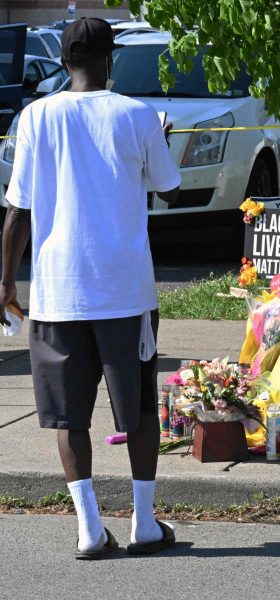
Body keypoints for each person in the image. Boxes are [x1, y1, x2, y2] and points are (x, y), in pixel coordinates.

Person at [0, 18, 181, 559]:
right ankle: (144, 524)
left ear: (63, 61)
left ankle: (87, 527)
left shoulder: (36, 116)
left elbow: (18, 211)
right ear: (109, 60)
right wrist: (159, 144)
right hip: (125, 290)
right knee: (140, 410)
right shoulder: (137, 114)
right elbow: (170, 193)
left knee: (67, 413)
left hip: (56, 289)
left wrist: (6, 279)